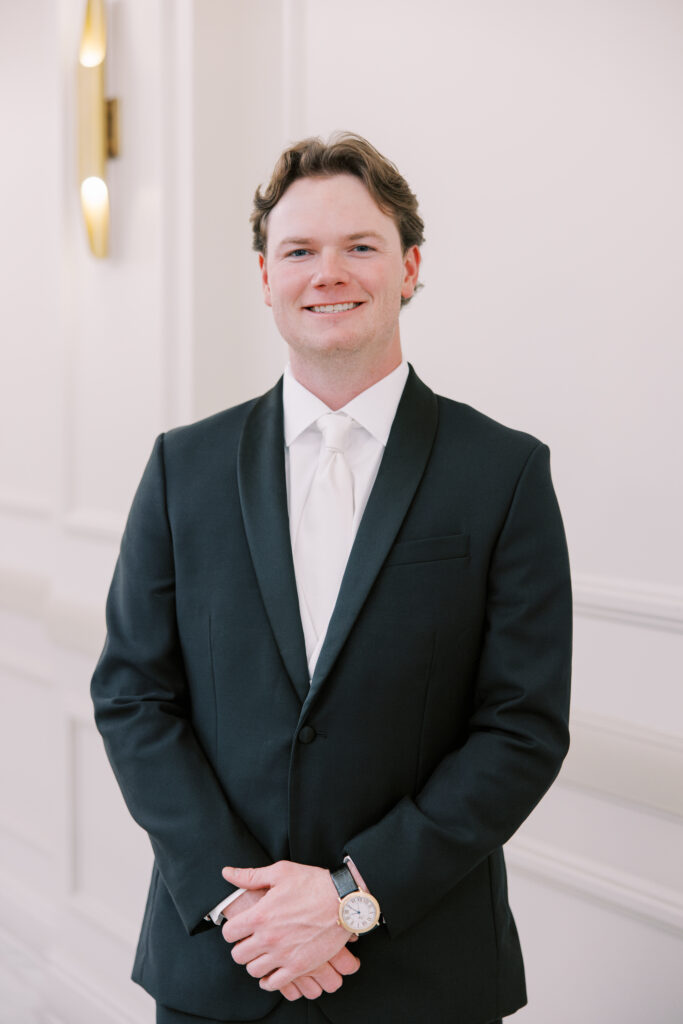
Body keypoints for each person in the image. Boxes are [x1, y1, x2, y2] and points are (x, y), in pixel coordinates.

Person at [91, 132, 572, 1024]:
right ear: (264, 277)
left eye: (360, 246)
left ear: (409, 267)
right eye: (299, 251)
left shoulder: (503, 473)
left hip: (423, 974)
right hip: (223, 965)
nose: (329, 273)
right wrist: (247, 909)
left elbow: (521, 728)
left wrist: (354, 895)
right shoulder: (180, 468)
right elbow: (132, 696)